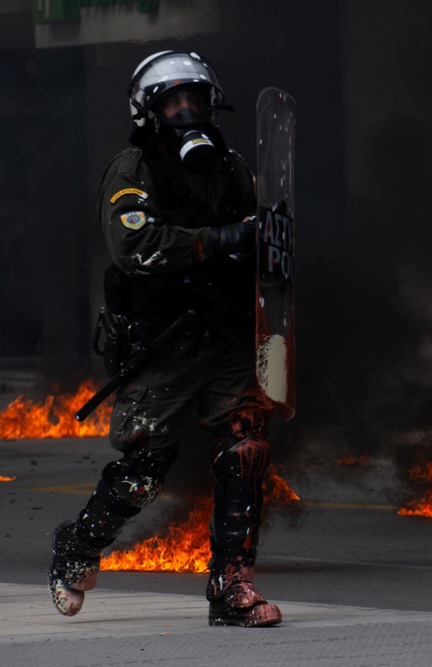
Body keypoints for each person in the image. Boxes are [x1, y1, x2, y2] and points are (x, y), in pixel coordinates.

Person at [48, 51, 282, 628]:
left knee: (244, 450)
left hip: (228, 336)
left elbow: (271, 238)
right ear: (149, 113)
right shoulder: (132, 172)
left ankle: (232, 588)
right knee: (144, 472)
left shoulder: (233, 170)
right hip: (164, 343)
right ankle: (77, 546)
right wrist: (220, 239)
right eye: (171, 102)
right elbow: (136, 247)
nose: (185, 111)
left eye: (193, 100)